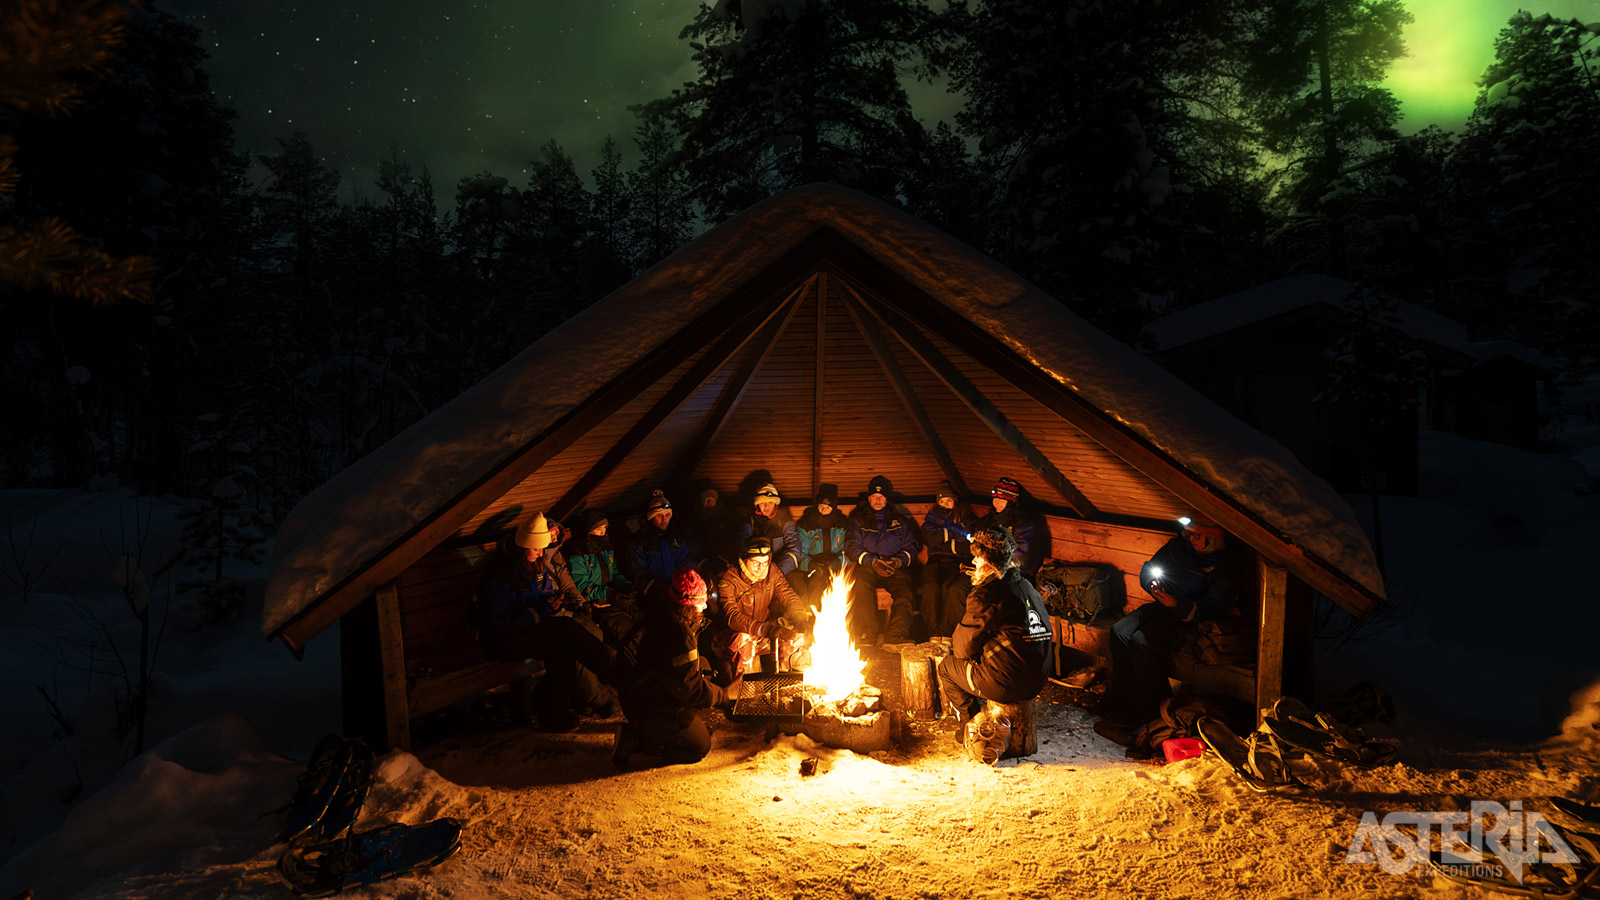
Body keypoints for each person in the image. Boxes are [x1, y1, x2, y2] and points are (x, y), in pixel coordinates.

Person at [1094, 517, 1243, 745]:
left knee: (1141, 643)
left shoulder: (1223, 564)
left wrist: (1178, 605)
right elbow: (1148, 569)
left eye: (1197, 535)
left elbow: (1214, 607)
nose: (1191, 539)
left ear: (1212, 538)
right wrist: (1151, 586)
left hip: (1187, 620)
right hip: (1161, 605)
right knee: (1120, 632)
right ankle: (1124, 704)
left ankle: (1154, 714)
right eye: (1190, 533)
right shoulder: (1177, 546)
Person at [473, 512, 619, 732]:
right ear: (523, 546)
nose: (540, 553)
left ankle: (555, 715)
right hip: (500, 640)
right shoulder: (501, 574)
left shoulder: (534, 565)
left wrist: (554, 602)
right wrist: (543, 609)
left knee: (562, 649)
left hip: (529, 628)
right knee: (565, 633)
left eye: (542, 549)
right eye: (536, 549)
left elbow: (543, 594)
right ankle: (616, 671)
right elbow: (500, 623)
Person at [611, 568, 742, 767]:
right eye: (701, 602)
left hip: (634, 692)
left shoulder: (658, 613)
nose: (705, 605)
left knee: (703, 667)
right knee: (699, 746)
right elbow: (690, 688)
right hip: (648, 707)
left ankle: (675, 728)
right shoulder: (678, 635)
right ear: (687, 605)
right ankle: (636, 740)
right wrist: (724, 695)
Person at [936, 526, 1054, 737]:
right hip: (1038, 677)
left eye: (978, 559)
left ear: (989, 563)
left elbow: (962, 649)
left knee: (947, 667)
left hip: (1009, 684)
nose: (973, 562)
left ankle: (969, 723)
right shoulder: (1024, 584)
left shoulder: (986, 594)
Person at [713, 536, 813, 679]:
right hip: (730, 638)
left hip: (762, 633)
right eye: (756, 563)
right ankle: (746, 695)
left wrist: (801, 620)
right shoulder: (729, 579)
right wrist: (768, 629)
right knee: (744, 640)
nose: (761, 568)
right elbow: (733, 617)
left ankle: (787, 689)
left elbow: (788, 596)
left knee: (792, 637)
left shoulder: (771, 572)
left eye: (765, 563)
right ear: (744, 559)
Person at [844, 475, 920, 645]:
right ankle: (867, 633)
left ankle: (895, 636)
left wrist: (898, 561)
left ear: (886, 499)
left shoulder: (900, 520)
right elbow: (851, 545)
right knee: (860, 583)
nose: (877, 500)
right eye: (874, 497)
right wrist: (872, 561)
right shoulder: (858, 518)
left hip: (894, 566)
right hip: (868, 566)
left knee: (906, 589)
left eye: (881, 497)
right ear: (869, 498)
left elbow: (912, 546)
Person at [563, 508, 637, 647]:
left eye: (604, 527)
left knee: (640, 617)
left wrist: (625, 585)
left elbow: (614, 573)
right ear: (589, 528)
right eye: (598, 528)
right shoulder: (577, 552)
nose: (603, 531)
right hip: (595, 604)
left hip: (612, 597)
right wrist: (609, 594)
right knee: (625, 630)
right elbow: (582, 585)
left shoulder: (606, 548)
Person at [920, 480, 977, 640]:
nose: (945, 504)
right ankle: (933, 632)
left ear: (955, 501)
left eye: (949, 501)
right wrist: (952, 533)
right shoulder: (932, 518)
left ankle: (946, 634)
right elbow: (929, 538)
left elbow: (966, 544)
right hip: (935, 561)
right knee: (930, 586)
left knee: (949, 588)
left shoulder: (966, 517)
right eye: (942, 501)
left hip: (956, 562)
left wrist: (943, 541)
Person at [622, 488, 693, 609]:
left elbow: (686, 563)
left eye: (667, 515)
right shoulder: (639, 542)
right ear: (650, 517)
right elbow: (638, 574)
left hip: (677, 590)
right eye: (659, 515)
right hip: (653, 595)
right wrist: (659, 590)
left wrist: (689, 584)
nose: (664, 520)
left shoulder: (676, 538)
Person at [737, 482, 806, 595]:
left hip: (779, 566)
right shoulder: (749, 519)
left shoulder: (783, 519)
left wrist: (776, 572)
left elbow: (794, 547)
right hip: (756, 567)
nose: (766, 507)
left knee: (797, 584)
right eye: (763, 502)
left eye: (770, 502)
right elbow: (743, 547)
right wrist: (757, 571)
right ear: (757, 504)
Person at [795, 483, 849, 609]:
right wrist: (810, 565)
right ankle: (812, 619)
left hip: (836, 566)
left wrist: (838, 562)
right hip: (814, 566)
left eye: (828, 507)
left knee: (841, 584)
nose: (824, 510)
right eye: (821, 506)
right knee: (817, 583)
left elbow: (849, 551)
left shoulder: (842, 524)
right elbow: (800, 553)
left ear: (833, 508)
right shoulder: (807, 524)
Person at [975, 476, 1040, 580]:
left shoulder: (1022, 524)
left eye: (1002, 499)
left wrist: (993, 567)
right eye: (995, 498)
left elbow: (1022, 557)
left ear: (1011, 501)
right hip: (987, 570)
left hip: (1014, 575)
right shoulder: (987, 521)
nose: (997, 502)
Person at [688, 486, 737, 578]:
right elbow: (692, 544)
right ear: (701, 501)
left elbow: (732, 541)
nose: (709, 502)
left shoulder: (726, 518)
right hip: (702, 564)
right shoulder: (694, 520)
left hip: (724, 562)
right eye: (706, 499)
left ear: (716, 500)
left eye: (712, 498)